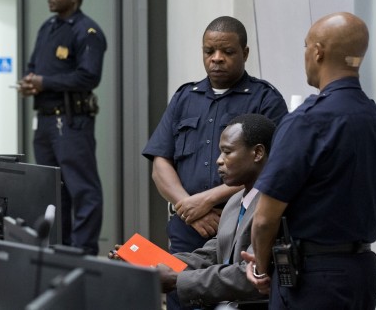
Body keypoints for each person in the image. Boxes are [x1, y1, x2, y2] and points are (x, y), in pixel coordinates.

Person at [243, 12, 376, 309]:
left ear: (317, 51)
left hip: (311, 279)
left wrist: (262, 268)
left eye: (305, 47)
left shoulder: (305, 122)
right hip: (362, 274)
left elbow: (264, 219)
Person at [113, 113, 275, 309]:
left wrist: (176, 279)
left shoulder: (273, 207)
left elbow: (247, 275)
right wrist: (149, 265)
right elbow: (210, 255)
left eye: (227, 152)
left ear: (257, 153)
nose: (219, 161)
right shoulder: (234, 202)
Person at [17, 0, 106, 255]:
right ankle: (58, 251)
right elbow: (34, 66)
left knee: (83, 191)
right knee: (52, 192)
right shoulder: (47, 28)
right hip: (43, 123)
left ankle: (83, 254)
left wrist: (45, 83)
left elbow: (88, 77)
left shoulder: (87, 31)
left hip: (70, 122)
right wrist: (29, 82)